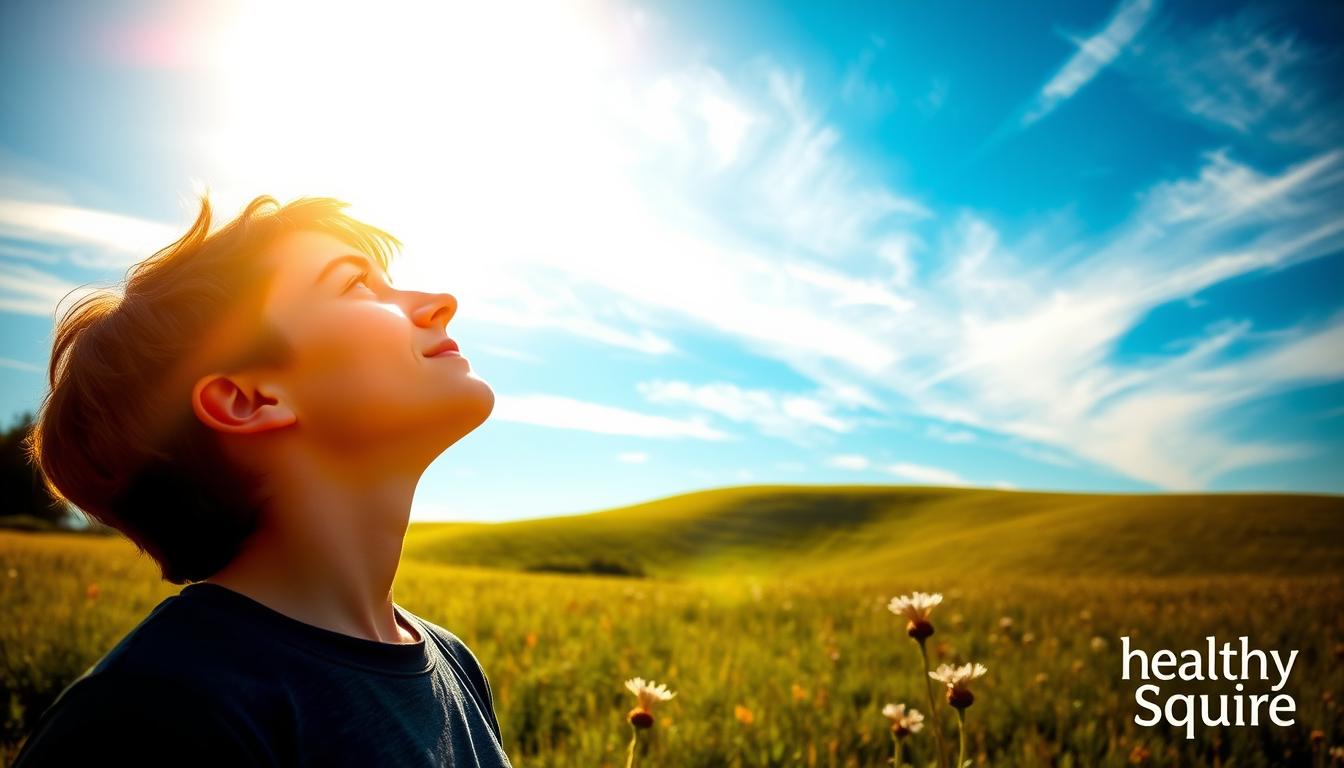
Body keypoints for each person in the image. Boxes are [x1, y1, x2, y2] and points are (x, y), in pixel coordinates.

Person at [13, 194, 512, 767]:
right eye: (356, 285)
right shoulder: (151, 716)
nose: (439, 303)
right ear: (248, 400)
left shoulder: (454, 663)